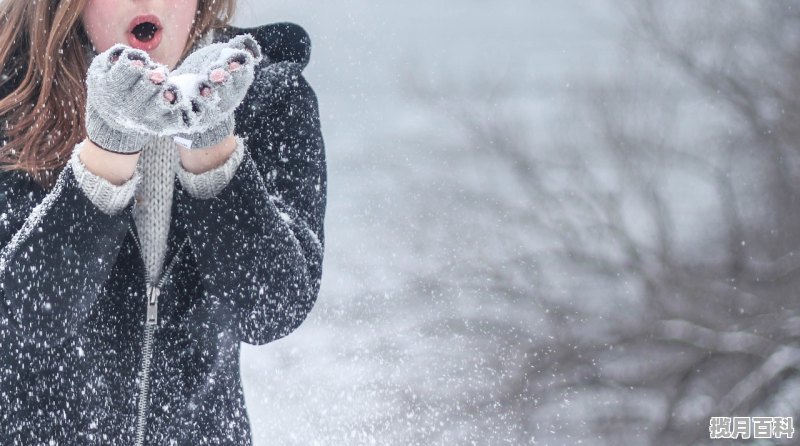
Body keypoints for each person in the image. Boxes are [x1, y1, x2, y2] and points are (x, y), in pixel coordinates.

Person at [0, 0, 327, 444]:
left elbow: (271, 309)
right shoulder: (12, 100)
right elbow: (25, 316)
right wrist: (108, 151)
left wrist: (212, 151)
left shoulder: (268, 96)